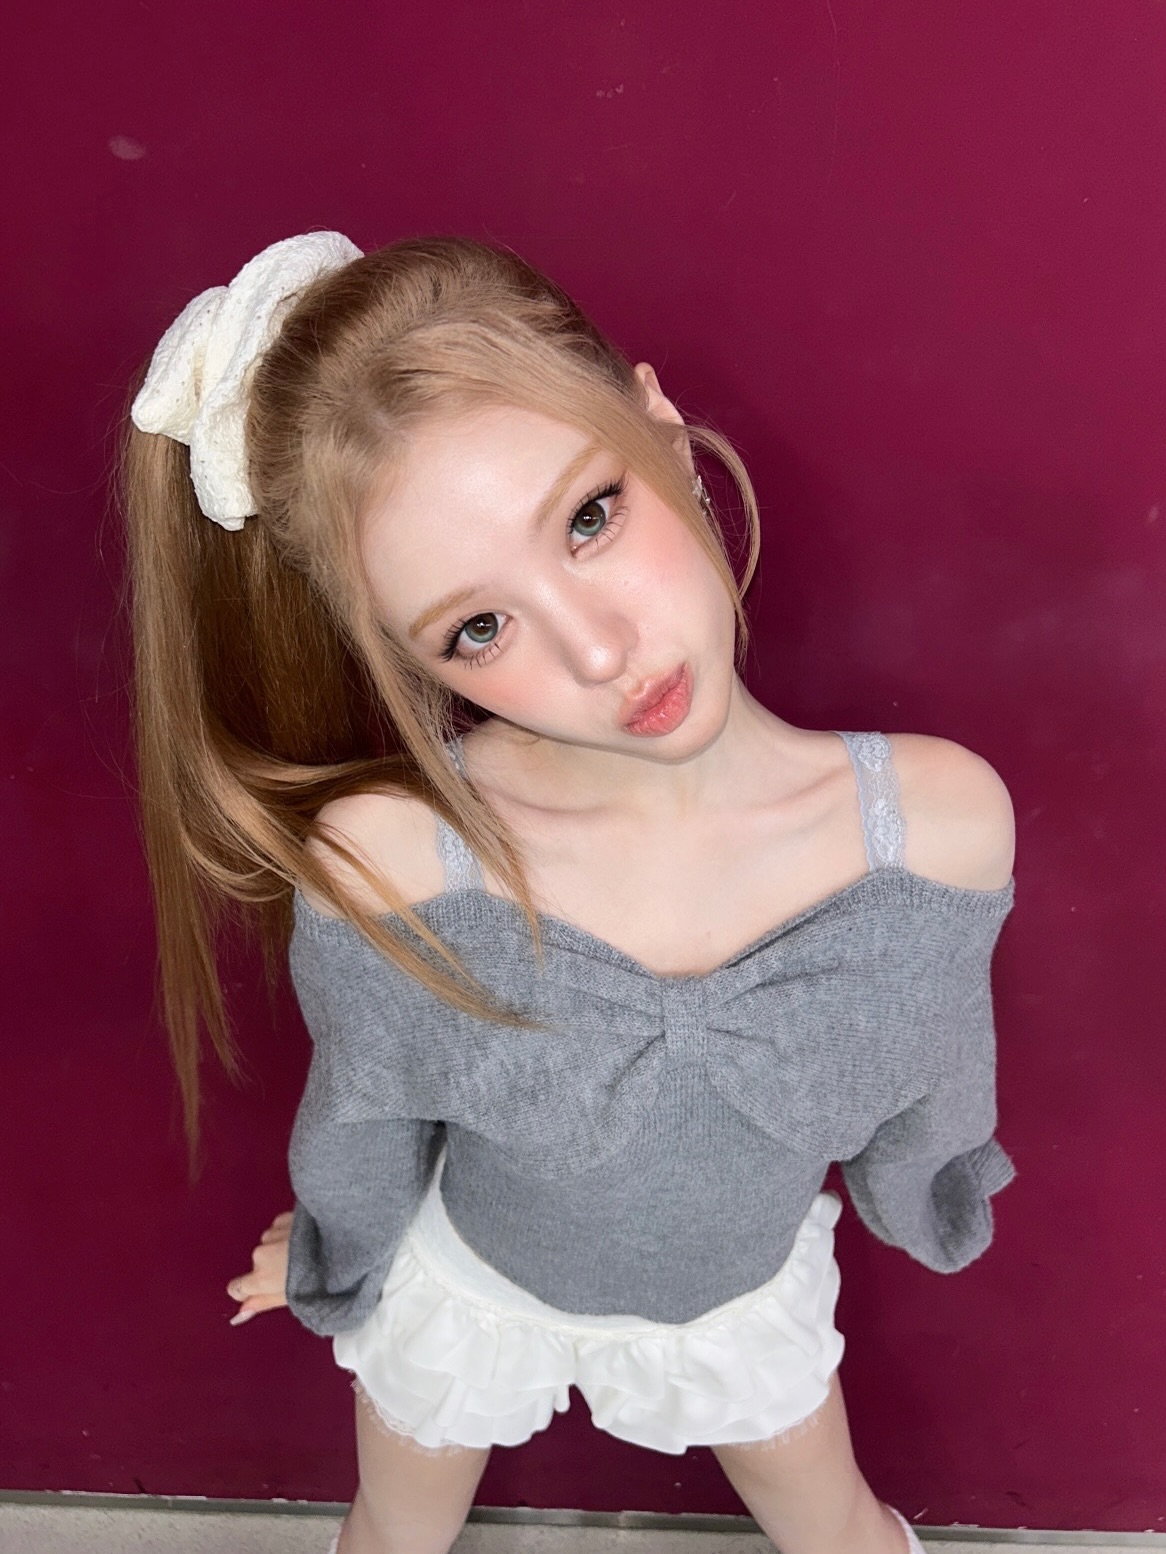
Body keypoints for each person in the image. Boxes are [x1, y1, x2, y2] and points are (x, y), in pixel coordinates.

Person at [122, 231, 1018, 1554]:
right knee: (394, 1530)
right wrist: (334, 1248)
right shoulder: (395, 864)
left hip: (735, 1294)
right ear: (400, 654)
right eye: (477, 628)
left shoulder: (931, 831)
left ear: (655, 421)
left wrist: (929, 1188)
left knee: (837, 1524)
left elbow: (935, 1082)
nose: (601, 651)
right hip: (471, 1287)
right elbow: (367, 1108)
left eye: (590, 518)